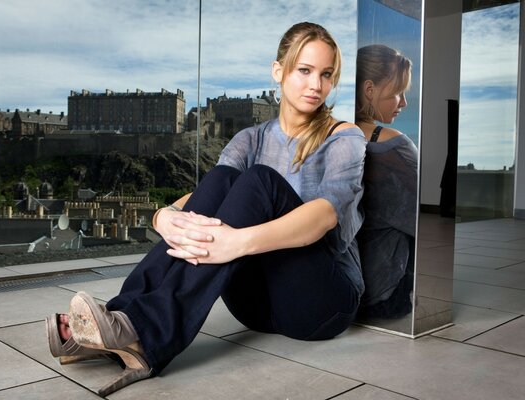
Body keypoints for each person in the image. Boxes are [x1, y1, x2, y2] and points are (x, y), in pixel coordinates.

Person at [46, 22, 367, 396]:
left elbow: (325, 216)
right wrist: (163, 215)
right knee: (222, 180)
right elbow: (207, 196)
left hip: (322, 303)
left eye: (327, 75)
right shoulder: (251, 137)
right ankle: (122, 316)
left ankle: (143, 335)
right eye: (305, 71)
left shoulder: (344, 137)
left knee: (260, 180)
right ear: (278, 71)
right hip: (255, 305)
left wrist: (238, 242)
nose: (316, 85)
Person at [354, 44, 418, 319]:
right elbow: (422, 226)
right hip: (383, 296)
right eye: (396, 93)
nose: (403, 103)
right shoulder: (396, 147)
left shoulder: (330, 136)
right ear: (369, 90)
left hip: (339, 285)